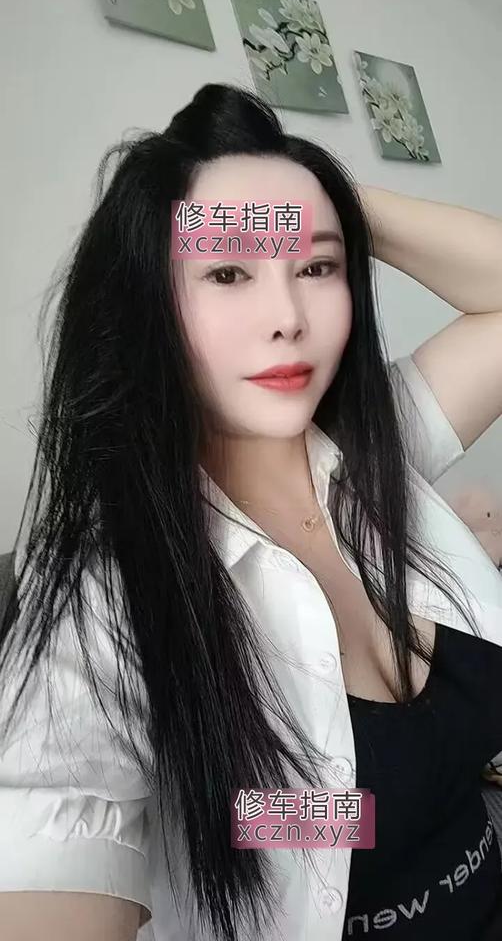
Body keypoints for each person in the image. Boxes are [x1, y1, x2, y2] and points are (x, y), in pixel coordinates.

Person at [1, 82, 502, 941]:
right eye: (228, 272)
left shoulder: (380, 450)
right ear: (150, 302)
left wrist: (314, 192)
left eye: (317, 266)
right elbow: (52, 837)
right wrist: (272, 818)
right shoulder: (108, 589)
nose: (287, 318)